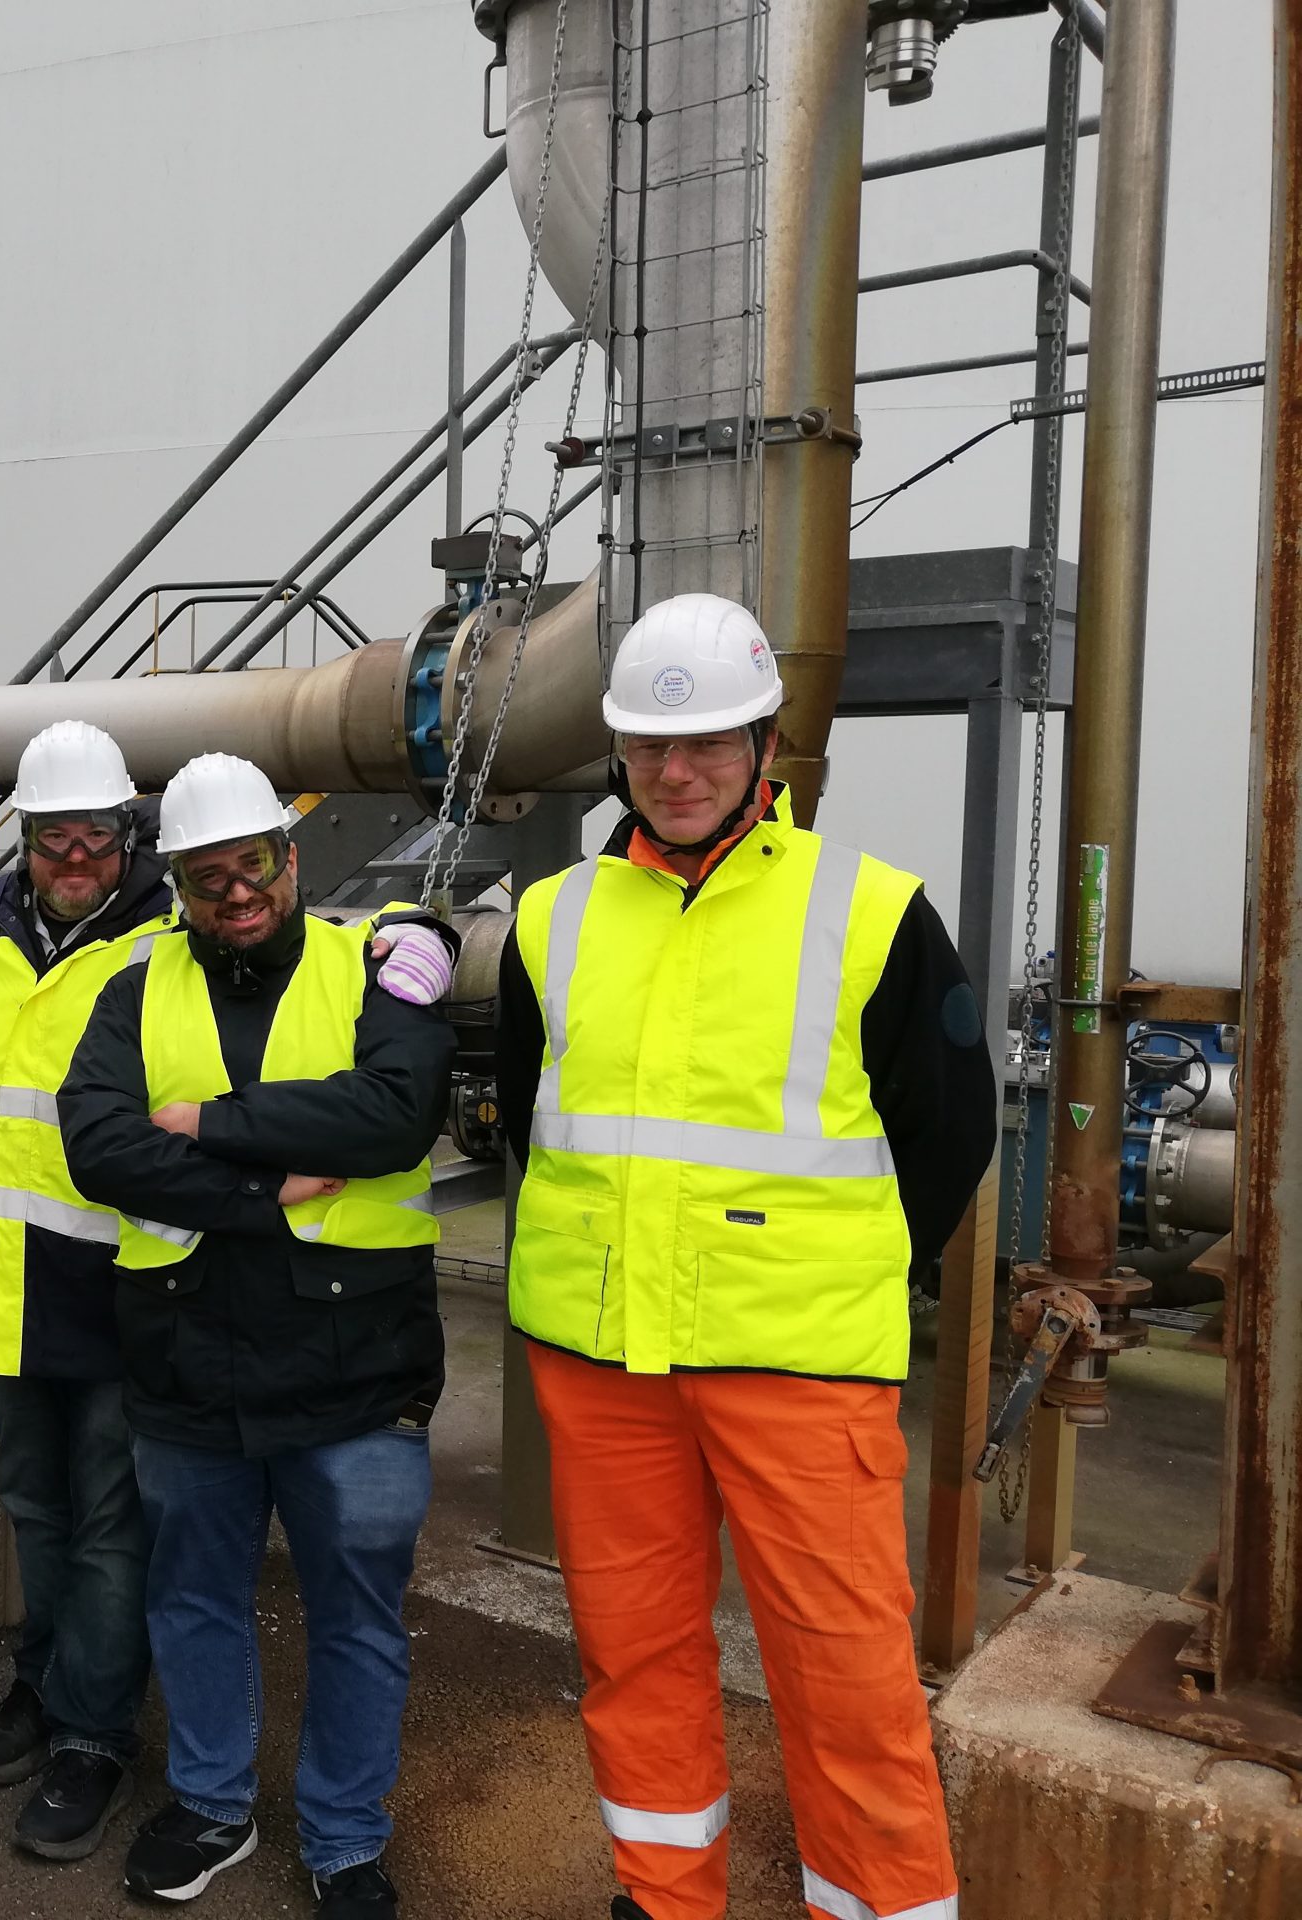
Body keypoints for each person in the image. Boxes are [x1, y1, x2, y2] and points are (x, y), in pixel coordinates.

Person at [494, 594, 997, 1920]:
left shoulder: (871, 912)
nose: (678, 771)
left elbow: (950, 1130)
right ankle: (663, 1899)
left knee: (847, 1684)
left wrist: (833, 1273)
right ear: (618, 752)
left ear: (765, 745)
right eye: (651, 746)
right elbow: (529, 1121)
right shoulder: (549, 920)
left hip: (798, 1368)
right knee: (635, 1660)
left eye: (709, 742)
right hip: (605, 1361)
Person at [59, 753, 455, 1920]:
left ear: (290, 856)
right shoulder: (133, 991)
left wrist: (209, 1123)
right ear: (176, 884)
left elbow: (394, 1116)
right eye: (206, 875)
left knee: (356, 1619)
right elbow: (98, 1145)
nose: (235, 891)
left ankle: (344, 1840)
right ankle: (211, 1806)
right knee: (193, 1600)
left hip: (357, 1366)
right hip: (188, 1361)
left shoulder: (376, 965)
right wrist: (263, 1188)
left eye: (253, 864)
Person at [0, 721, 175, 1857]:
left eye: (95, 836)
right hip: (16, 1284)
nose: (74, 858)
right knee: (36, 1511)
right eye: (52, 838)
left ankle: (93, 1734)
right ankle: (41, 1687)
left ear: (128, 833)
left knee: (112, 1530)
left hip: (126, 1287)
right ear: (23, 839)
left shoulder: (170, 947)